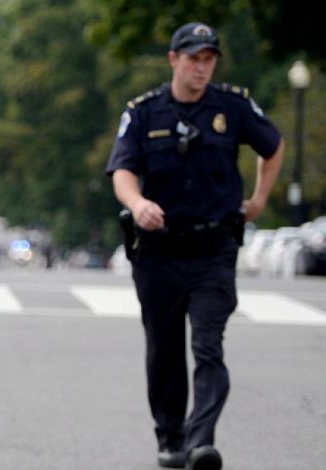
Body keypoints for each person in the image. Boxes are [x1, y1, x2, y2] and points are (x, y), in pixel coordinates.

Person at [105, 22, 284, 470]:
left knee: (208, 345)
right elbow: (122, 170)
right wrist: (138, 201)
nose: (202, 68)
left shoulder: (233, 106)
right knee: (164, 348)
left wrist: (260, 200)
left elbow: (273, 145)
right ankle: (172, 437)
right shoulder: (144, 113)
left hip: (213, 248)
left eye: (209, 60)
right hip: (159, 251)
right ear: (174, 60)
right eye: (193, 59)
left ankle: (202, 440)